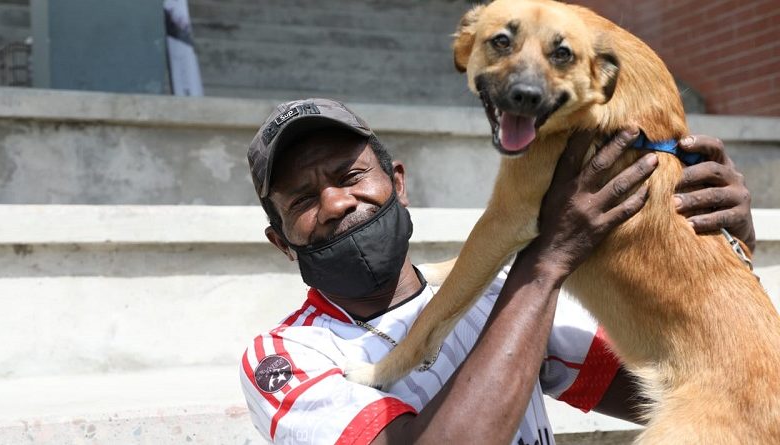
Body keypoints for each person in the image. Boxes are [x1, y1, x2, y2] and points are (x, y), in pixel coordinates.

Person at [240, 98, 755, 444]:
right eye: (302, 200)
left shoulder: (499, 299)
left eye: (350, 175)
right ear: (282, 242)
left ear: (398, 184)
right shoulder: (285, 357)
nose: (335, 203)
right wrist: (547, 260)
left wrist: (728, 255)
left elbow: (716, 395)